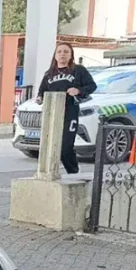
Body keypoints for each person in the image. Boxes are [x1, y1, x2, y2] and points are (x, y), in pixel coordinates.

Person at [36, 42, 96, 175]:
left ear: (71, 55)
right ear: (55, 55)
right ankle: (49, 172)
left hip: (70, 112)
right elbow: (42, 91)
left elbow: (92, 86)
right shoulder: (49, 74)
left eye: (66, 52)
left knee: (66, 147)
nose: (62, 54)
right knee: (50, 146)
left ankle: (73, 172)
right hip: (52, 113)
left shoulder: (78, 70)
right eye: (59, 51)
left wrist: (78, 91)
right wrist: (39, 98)